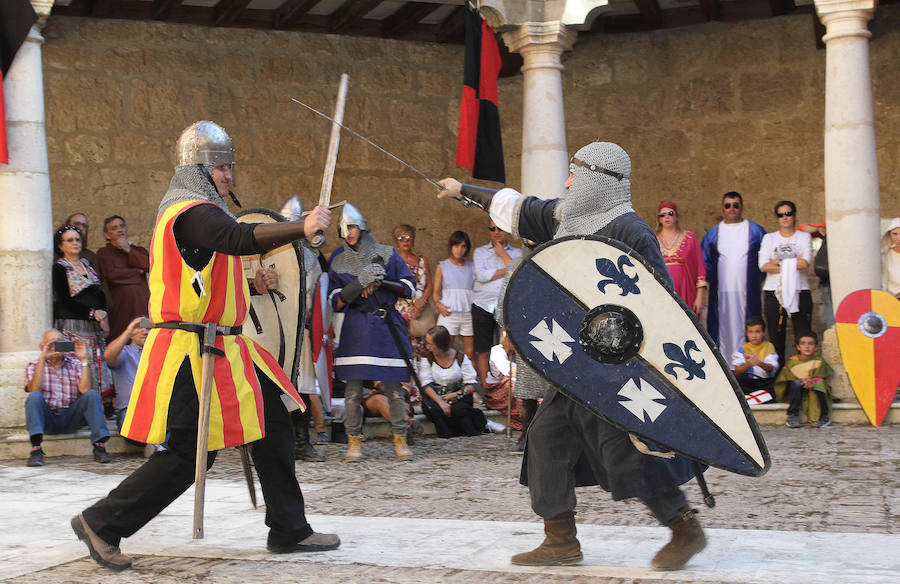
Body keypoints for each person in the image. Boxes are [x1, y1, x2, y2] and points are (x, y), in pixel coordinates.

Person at [72, 121, 339, 572]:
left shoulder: (200, 214)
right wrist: (303, 226)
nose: (230, 176)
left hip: (226, 349)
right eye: (223, 168)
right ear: (201, 169)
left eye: (230, 167)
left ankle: (289, 527)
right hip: (191, 353)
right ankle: (103, 522)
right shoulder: (190, 212)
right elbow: (235, 238)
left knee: (272, 424)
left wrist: (252, 284)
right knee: (189, 451)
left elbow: (209, 276)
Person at [437, 141, 706, 571]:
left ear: (600, 180)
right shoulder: (568, 217)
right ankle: (559, 538)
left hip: (617, 374)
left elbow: (661, 309)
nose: (566, 183)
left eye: (574, 175)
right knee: (545, 438)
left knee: (625, 448)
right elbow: (517, 207)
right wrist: (460, 189)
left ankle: (683, 525)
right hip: (575, 369)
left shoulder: (632, 233)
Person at [328, 203, 416, 463]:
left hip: (386, 326)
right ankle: (354, 442)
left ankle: (400, 439)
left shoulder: (388, 254)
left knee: (393, 389)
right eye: (345, 228)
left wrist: (381, 281)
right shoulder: (337, 259)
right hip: (356, 327)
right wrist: (358, 283)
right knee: (353, 391)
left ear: (362, 226)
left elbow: (409, 288)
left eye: (353, 226)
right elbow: (335, 300)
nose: (349, 232)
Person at [24, 329, 112, 466]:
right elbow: (34, 389)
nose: (55, 347)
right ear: (42, 347)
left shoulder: (75, 363)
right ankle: (36, 449)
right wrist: (42, 358)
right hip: (48, 418)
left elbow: (85, 390)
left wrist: (84, 360)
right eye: (51, 344)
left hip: (72, 416)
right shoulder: (33, 365)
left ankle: (99, 446)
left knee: (92, 394)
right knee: (34, 397)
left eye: (59, 343)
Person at [701, 193, 766, 362]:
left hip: (748, 294)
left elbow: (765, 260)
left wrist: (754, 281)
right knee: (721, 329)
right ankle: (723, 367)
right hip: (721, 294)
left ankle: (748, 370)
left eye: (735, 205)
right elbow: (705, 261)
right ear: (723, 208)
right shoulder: (713, 233)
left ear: (741, 207)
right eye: (728, 205)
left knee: (749, 327)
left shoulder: (756, 231)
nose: (732, 209)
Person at [53, 224, 111, 395]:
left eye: (77, 239)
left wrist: (103, 315)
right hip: (70, 325)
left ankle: (96, 403)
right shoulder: (59, 267)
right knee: (72, 362)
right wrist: (92, 313)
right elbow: (65, 300)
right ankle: (73, 402)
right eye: (69, 240)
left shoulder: (87, 263)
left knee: (94, 364)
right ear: (60, 245)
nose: (75, 243)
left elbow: (98, 293)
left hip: (92, 328)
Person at [759, 200, 814, 365]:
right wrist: (791, 264)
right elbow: (763, 266)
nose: (785, 217)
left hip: (800, 289)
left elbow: (805, 263)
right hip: (773, 291)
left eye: (788, 213)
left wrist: (777, 263)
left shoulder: (803, 236)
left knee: (802, 334)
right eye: (781, 215)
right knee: (776, 335)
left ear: (794, 215)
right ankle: (778, 377)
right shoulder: (769, 238)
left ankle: (803, 374)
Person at [472, 220, 522, 385]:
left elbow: (518, 273)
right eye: (492, 229)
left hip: (506, 306)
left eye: (500, 228)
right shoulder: (480, 252)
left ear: (507, 230)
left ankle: (504, 387)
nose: (496, 232)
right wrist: (507, 270)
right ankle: (487, 389)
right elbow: (482, 276)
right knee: (483, 349)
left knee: (506, 348)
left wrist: (502, 254)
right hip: (482, 304)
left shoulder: (517, 252)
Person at [416, 325, 487, 438]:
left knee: (460, 410)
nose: (427, 346)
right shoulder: (428, 358)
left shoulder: (460, 357)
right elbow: (426, 384)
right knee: (435, 410)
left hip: (458, 396)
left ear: (440, 345)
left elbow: (472, 385)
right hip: (437, 397)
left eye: (430, 343)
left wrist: (455, 395)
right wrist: (441, 402)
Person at [97, 215, 151, 341]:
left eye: (122, 226)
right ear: (107, 235)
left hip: (141, 304)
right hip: (120, 307)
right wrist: (138, 273)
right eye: (114, 228)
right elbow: (112, 276)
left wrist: (128, 249)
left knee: (144, 336)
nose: (120, 230)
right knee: (122, 339)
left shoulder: (139, 250)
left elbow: (150, 266)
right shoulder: (104, 253)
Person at [655, 202, 706, 316]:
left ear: (677, 216)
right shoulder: (653, 240)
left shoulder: (689, 238)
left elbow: (700, 268)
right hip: (663, 291)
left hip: (686, 290)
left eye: (670, 213)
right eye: (662, 215)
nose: (666, 217)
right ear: (659, 219)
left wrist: (699, 297)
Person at [432, 230, 476, 364]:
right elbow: (435, 292)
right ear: (451, 247)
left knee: (470, 353)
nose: (459, 250)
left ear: (467, 248)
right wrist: (439, 306)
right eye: (456, 246)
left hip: (468, 314)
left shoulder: (472, 267)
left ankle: (469, 381)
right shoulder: (442, 266)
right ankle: (447, 380)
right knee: (445, 349)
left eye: (463, 246)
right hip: (449, 313)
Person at [774, 331, 833, 428]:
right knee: (796, 383)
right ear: (798, 347)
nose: (807, 347)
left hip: (814, 386)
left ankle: (824, 416)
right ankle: (792, 415)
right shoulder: (792, 361)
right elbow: (787, 377)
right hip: (798, 389)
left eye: (810, 344)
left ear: (816, 347)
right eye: (803, 344)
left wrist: (811, 381)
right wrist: (803, 380)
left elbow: (820, 375)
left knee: (820, 384)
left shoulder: (819, 360)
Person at [103, 316, 149, 435]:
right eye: (139, 328)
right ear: (131, 334)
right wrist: (128, 332)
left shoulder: (161, 353)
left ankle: (156, 445)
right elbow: (108, 356)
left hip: (157, 410)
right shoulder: (124, 352)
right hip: (130, 410)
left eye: (149, 328)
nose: (145, 331)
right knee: (131, 430)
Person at [730, 316, 779, 401]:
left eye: (757, 332)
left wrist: (758, 363)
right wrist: (748, 364)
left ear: (763, 333)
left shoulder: (768, 347)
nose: (754, 335)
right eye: (750, 332)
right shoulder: (743, 348)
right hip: (746, 383)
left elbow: (771, 368)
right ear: (746, 333)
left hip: (764, 383)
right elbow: (737, 372)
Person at [883, 217, 900, 298]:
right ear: (889, 235)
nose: (899, 238)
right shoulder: (886, 256)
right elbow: (883, 282)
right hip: (892, 301)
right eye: (895, 234)